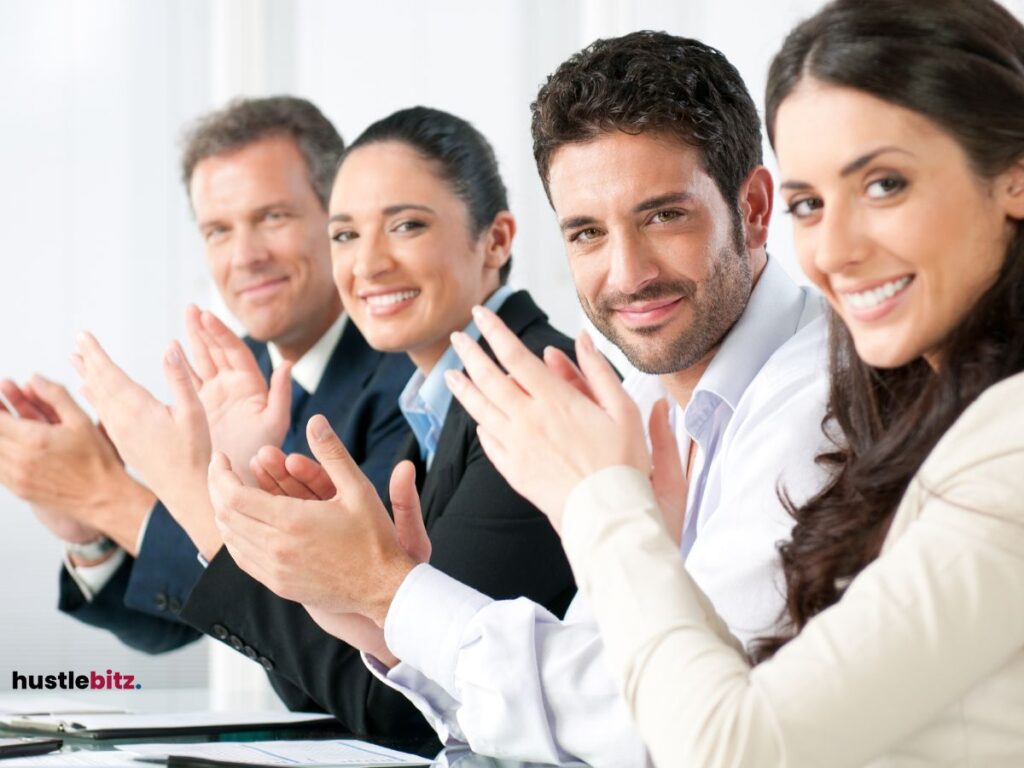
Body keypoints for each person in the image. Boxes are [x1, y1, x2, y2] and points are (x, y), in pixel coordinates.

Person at [207, 34, 832, 767]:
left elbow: (674, 722)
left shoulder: (820, 402)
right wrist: (382, 612)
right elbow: (594, 678)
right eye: (588, 233)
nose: (626, 273)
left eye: (665, 216)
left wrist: (390, 592)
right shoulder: (629, 396)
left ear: (755, 208)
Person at [447, 0, 1024, 765]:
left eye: (884, 185)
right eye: (810, 204)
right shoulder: (936, 415)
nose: (835, 251)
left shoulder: (1005, 448)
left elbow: (733, 745)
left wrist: (599, 502)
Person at [75, 106, 578, 740]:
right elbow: (327, 677)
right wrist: (245, 497)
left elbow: (399, 706)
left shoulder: (525, 393)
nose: (367, 265)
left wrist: (196, 492)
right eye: (345, 235)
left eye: (406, 225)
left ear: (497, 240)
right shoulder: (441, 395)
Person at [0, 96, 414, 701]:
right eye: (218, 230)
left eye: (272, 216)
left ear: (338, 218)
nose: (244, 256)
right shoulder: (229, 374)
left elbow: (339, 657)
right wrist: (88, 529)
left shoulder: (407, 375)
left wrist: (110, 496)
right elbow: (174, 616)